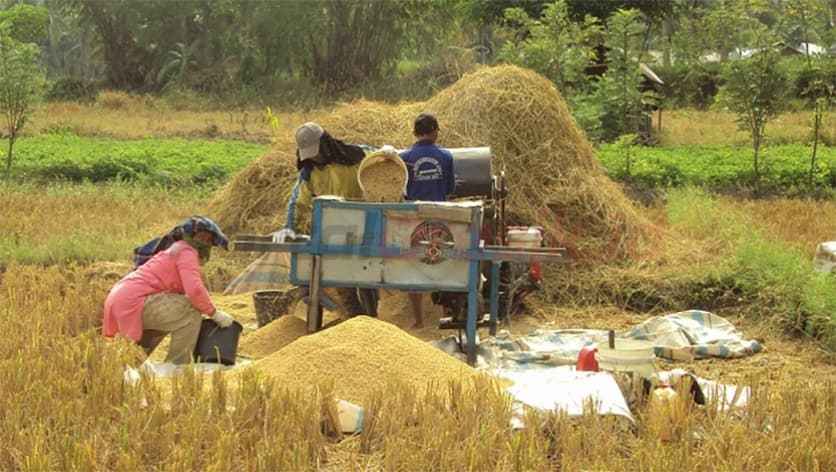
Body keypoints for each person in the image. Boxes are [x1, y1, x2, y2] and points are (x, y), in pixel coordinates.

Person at [274, 122, 378, 317]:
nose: (314, 157)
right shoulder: (310, 171)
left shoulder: (358, 156)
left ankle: (371, 317)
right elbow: (298, 202)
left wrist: (389, 155)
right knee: (341, 280)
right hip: (333, 232)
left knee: (366, 278)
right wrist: (290, 227)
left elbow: (384, 161)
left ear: (325, 143)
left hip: (365, 226)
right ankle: (355, 318)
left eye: (316, 152)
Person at [103, 217, 236, 364]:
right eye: (202, 237)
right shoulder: (187, 252)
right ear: (190, 235)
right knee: (190, 310)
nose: (205, 242)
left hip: (121, 298)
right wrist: (214, 313)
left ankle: (131, 363)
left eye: (208, 239)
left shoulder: (175, 249)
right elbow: (195, 290)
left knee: (174, 314)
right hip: (133, 300)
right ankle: (177, 366)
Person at [399, 113, 456, 328]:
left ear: (415, 133)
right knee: (444, 263)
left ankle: (419, 320)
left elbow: (401, 191)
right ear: (434, 132)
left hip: (414, 220)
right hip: (440, 217)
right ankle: (447, 314)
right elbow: (450, 188)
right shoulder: (446, 157)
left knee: (413, 266)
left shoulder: (404, 158)